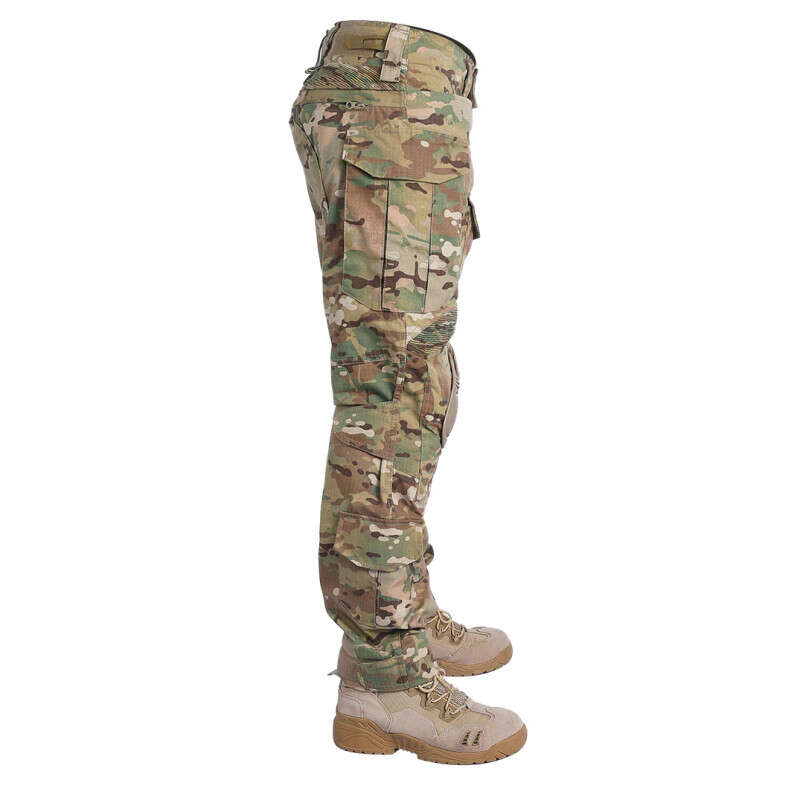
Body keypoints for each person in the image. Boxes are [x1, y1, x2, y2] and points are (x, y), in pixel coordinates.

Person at [289, 20, 526, 764]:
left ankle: (398, 618)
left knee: (416, 388)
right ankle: (386, 678)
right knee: (390, 396)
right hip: (391, 98)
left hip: (405, 96)